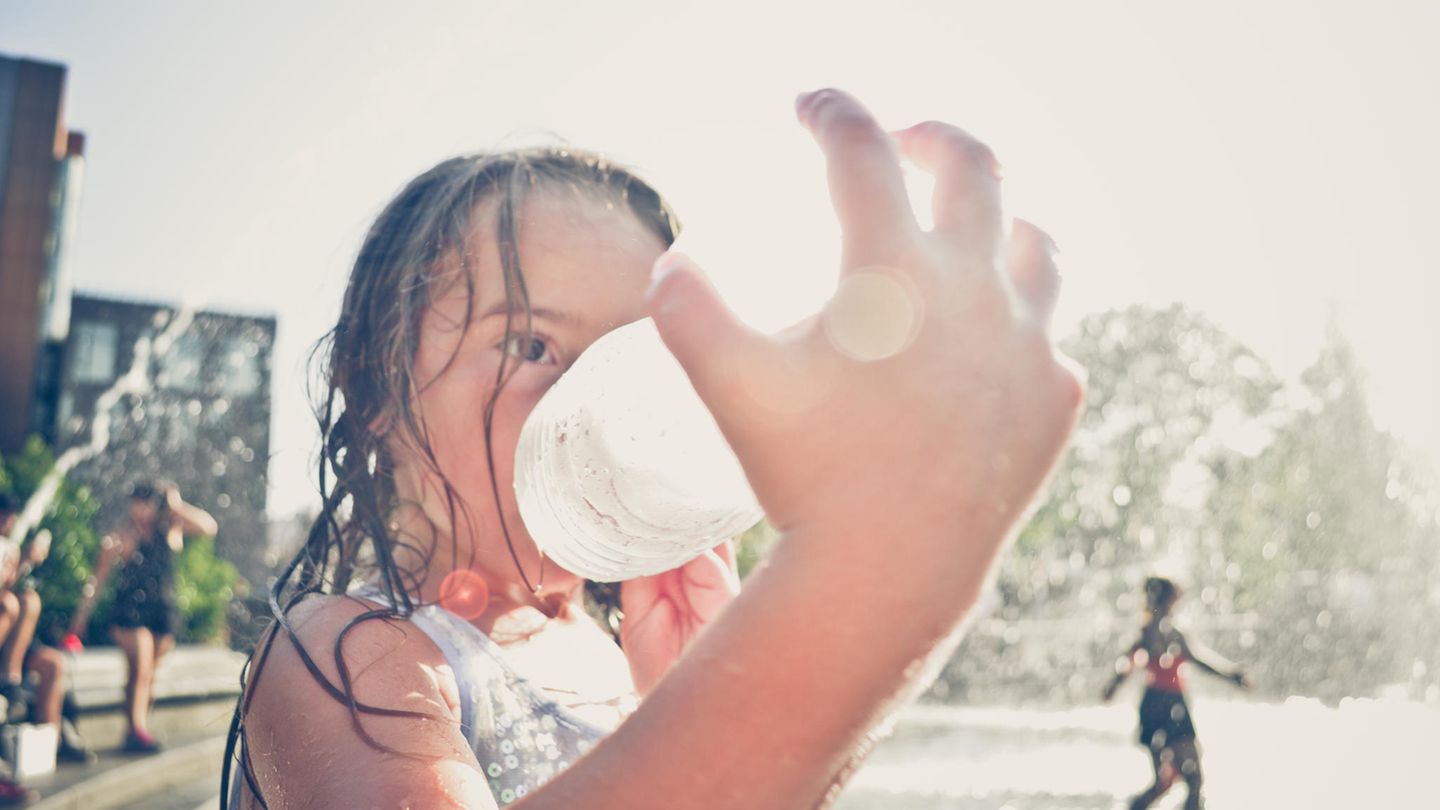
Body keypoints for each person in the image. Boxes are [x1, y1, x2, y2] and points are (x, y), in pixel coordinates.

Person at [226, 88, 1084, 809]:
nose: (592, 407)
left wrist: (702, 694)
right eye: (532, 346)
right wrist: (866, 584)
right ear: (374, 385)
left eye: (642, 358)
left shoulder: (609, 653)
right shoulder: (355, 654)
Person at [69, 482, 217, 753]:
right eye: (136, 503)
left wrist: (176, 504)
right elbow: (97, 580)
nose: (141, 510)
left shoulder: (171, 529)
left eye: (146, 503)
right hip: (130, 612)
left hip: (162, 609)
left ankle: (134, 729)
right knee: (141, 666)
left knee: (146, 673)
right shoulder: (122, 536)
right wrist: (81, 617)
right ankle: (138, 730)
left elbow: (209, 527)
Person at [1102, 576, 1251, 810]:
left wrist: (1113, 685)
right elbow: (1197, 660)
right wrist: (1231, 674)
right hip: (1171, 706)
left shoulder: (1149, 629)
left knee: (1164, 781)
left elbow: (1127, 663)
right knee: (1192, 779)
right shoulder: (1168, 630)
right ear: (1171, 598)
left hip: (1152, 706)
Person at [0, 495, 92, 766]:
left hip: (13, 641)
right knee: (11, 603)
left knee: (53, 663)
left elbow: (12, 586)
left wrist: (26, 561)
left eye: (10, 516)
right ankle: (10, 679)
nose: (7, 521)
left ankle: (51, 747)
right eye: (3, 515)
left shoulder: (11, 547)